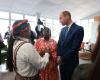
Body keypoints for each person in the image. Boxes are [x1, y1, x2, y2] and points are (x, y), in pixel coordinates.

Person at [57, 11, 84, 80]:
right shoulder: (63, 30)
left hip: (71, 63)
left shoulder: (79, 29)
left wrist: (62, 58)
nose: (59, 21)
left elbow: (74, 48)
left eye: (61, 18)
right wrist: (59, 56)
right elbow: (59, 44)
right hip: (62, 64)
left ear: (67, 16)